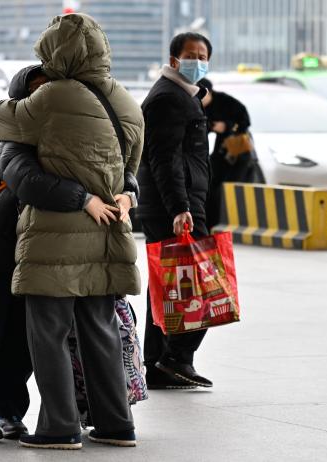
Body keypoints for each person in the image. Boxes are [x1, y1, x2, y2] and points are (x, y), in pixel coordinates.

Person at [0, 13, 144, 450]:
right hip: (110, 231)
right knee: (100, 329)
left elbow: (8, 121)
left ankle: (58, 427)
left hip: (56, 235)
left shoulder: (53, 96)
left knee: (49, 332)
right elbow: (130, 172)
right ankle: (117, 425)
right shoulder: (128, 101)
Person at [0, 64, 127, 443]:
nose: (43, 99)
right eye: (35, 92)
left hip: (34, 256)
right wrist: (81, 198)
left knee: (20, 342)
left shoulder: (69, 145)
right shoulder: (9, 143)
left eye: (49, 91)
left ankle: (9, 412)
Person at [137, 32, 214, 390]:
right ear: (173, 60)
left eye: (202, 56)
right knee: (201, 283)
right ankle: (176, 357)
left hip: (176, 203)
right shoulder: (168, 98)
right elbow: (164, 159)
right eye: (190, 55)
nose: (197, 61)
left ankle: (156, 365)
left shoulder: (182, 96)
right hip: (176, 206)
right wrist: (180, 207)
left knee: (168, 287)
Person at [198, 78, 263, 229]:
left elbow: (244, 121)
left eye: (202, 95)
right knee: (211, 184)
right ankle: (210, 224)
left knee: (231, 186)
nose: (200, 99)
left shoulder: (226, 102)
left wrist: (226, 126)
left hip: (238, 150)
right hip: (220, 150)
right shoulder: (198, 106)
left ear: (209, 92)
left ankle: (229, 222)